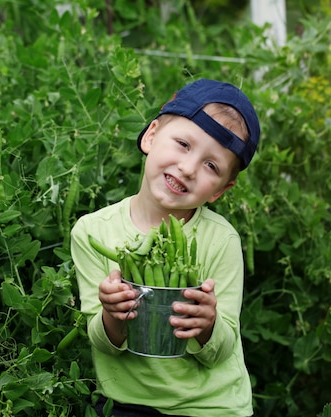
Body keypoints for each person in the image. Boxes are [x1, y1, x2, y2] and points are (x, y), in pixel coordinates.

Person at [70, 78, 260, 417]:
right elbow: (103, 344)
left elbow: (220, 350)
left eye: (211, 166)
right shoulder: (92, 231)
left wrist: (207, 325)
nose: (187, 168)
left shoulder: (221, 241)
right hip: (125, 403)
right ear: (151, 135)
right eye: (183, 144)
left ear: (219, 190)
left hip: (211, 406)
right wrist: (113, 314)